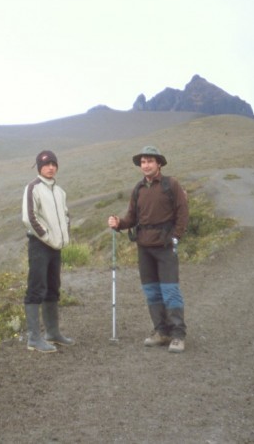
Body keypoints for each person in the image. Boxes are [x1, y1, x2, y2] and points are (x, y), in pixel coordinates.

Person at [108, 145, 189, 353]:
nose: (146, 165)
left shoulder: (171, 185)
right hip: (144, 247)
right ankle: (161, 332)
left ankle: (178, 335)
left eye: (150, 161)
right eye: (143, 162)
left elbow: (182, 212)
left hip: (165, 246)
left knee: (170, 291)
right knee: (152, 292)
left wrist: (176, 237)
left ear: (159, 163)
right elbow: (132, 218)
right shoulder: (138, 189)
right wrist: (119, 223)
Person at [21, 149, 74, 353]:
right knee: (36, 287)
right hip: (40, 246)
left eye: (53, 164)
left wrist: (63, 238)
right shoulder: (32, 188)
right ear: (39, 167)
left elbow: (66, 215)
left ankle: (52, 332)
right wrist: (47, 237)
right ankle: (34, 338)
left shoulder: (59, 191)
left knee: (53, 287)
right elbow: (29, 217)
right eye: (46, 164)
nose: (50, 167)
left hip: (55, 247)